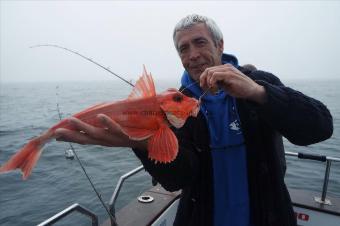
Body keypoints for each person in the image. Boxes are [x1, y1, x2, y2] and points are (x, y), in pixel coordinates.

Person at [55, 14, 333, 226]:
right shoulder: (176, 104)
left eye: (200, 42)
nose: (193, 55)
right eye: (183, 48)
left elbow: (320, 127)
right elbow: (178, 178)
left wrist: (259, 93)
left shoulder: (260, 84)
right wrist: (143, 143)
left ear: (220, 44)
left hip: (268, 217)